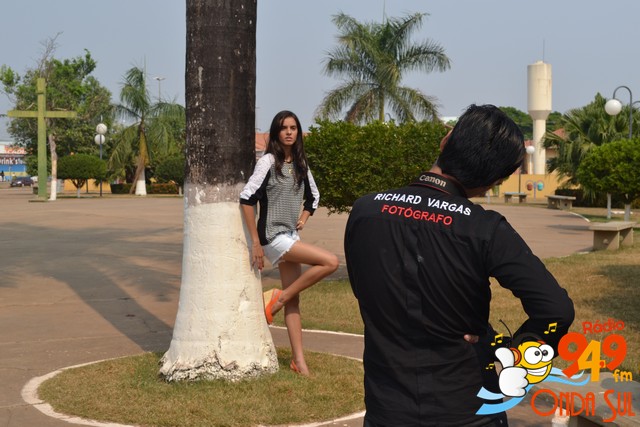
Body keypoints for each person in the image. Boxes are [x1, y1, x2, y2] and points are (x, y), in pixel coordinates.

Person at [344, 104, 574, 426]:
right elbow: (556, 310)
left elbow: (366, 291)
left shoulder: (365, 211)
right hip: (467, 408)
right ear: (496, 180)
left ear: (446, 140)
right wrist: (512, 353)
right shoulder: (484, 228)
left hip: (387, 408)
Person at [240, 110, 339, 376]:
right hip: (272, 235)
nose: (289, 132)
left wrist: (303, 218)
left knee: (294, 300)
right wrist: (255, 243)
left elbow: (314, 196)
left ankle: (298, 361)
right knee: (330, 262)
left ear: (297, 132)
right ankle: (277, 299)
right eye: (284, 128)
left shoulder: (300, 162)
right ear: (276, 131)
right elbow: (247, 198)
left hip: (291, 235)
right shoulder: (268, 161)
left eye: (293, 128)